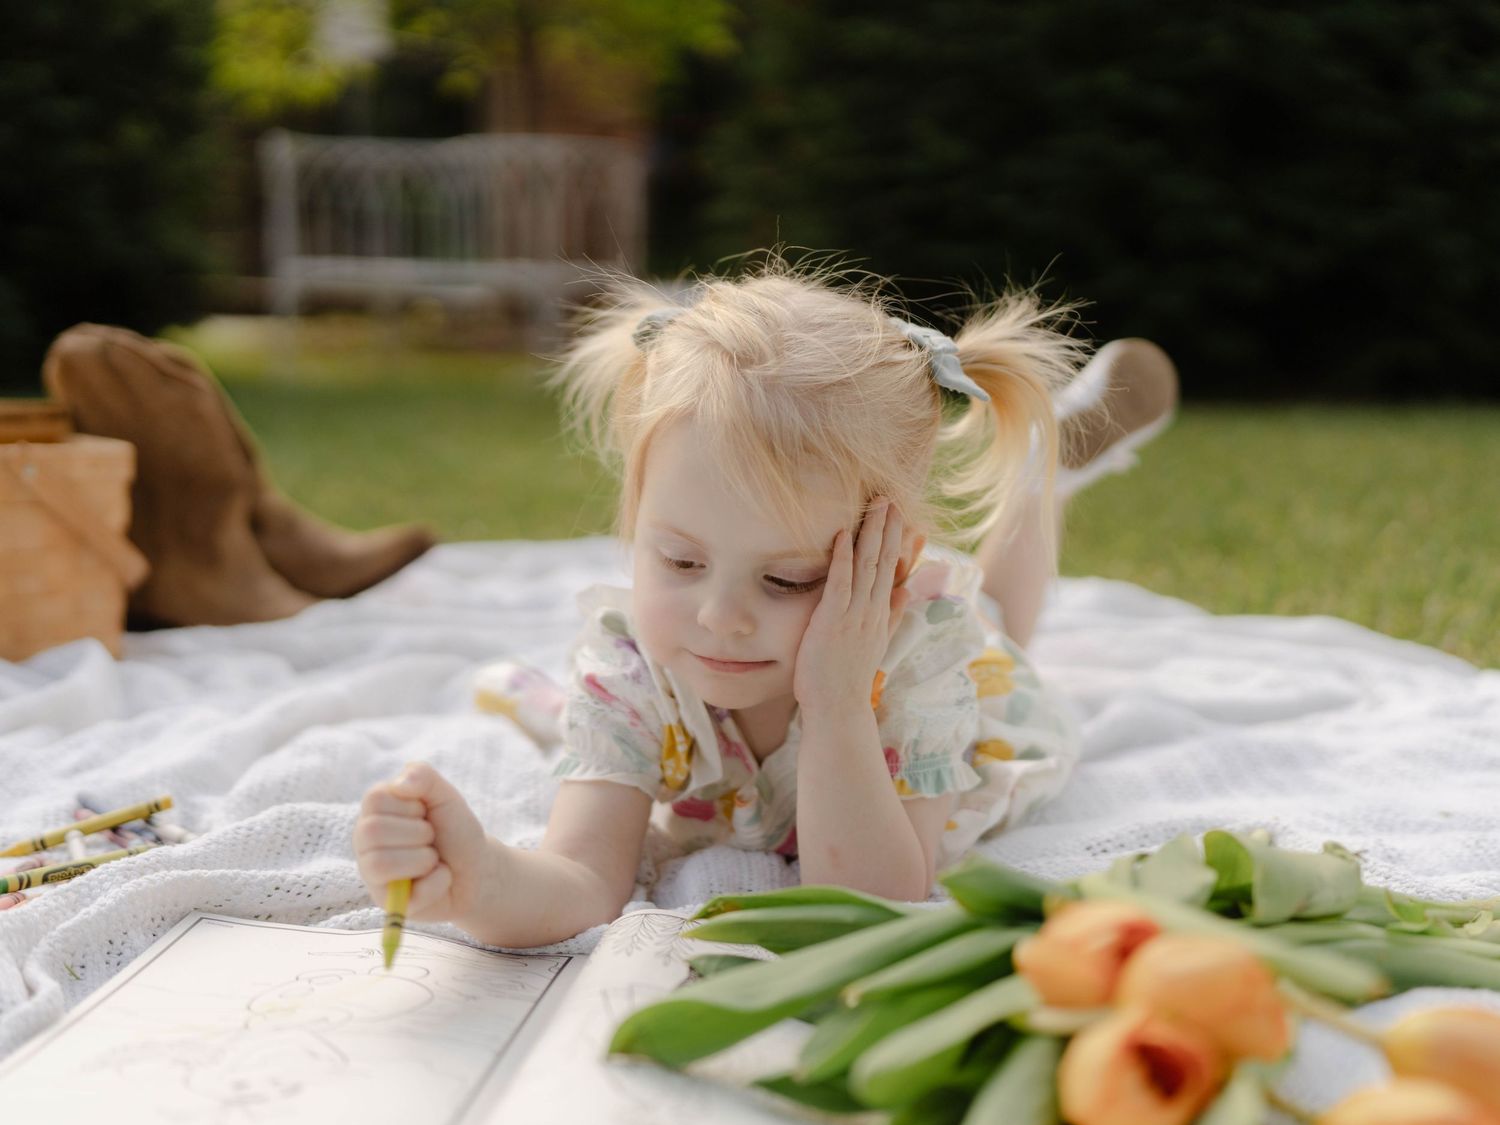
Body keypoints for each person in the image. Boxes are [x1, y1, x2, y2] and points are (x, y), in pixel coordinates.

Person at [352, 256, 1178, 948]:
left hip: (958, 688)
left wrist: (837, 700)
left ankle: (1040, 467)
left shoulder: (920, 662)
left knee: (999, 618)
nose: (719, 617)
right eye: (678, 559)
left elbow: (877, 899)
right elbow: (579, 880)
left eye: (786, 580)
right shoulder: (635, 666)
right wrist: (480, 879)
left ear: (886, 567)